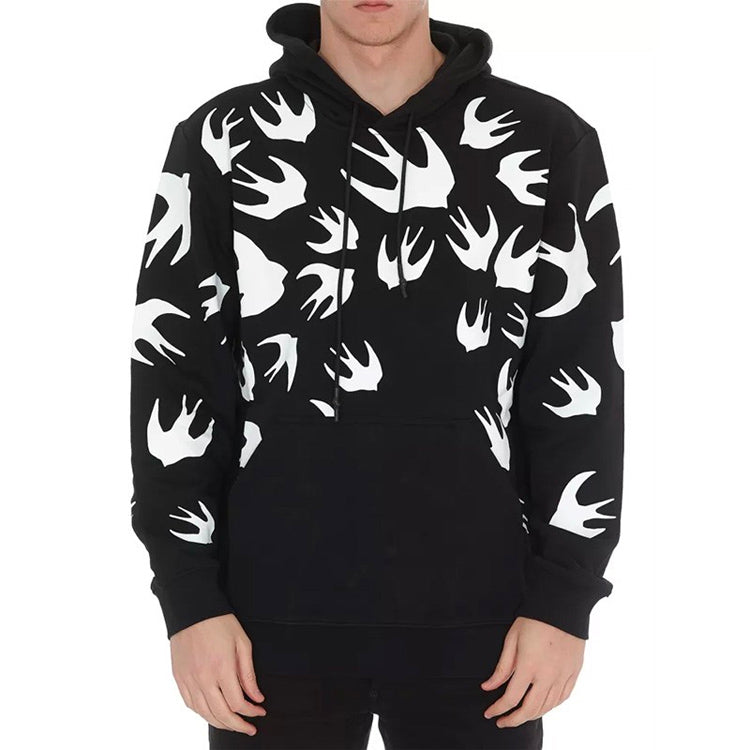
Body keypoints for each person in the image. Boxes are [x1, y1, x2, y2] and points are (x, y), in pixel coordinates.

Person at [129, 1, 625, 747]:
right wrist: (188, 597)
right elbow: (175, 372)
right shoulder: (223, 137)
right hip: (264, 627)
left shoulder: (547, 138)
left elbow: (582, 378)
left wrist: (565, 597)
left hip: (484, 628)